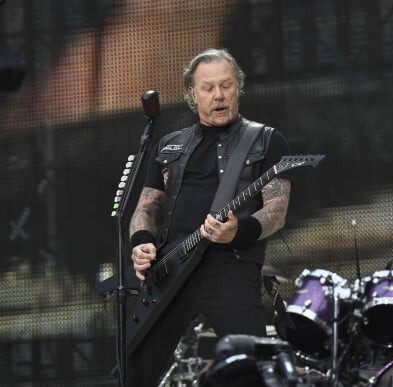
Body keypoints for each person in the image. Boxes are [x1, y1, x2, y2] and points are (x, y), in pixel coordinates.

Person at [126, 48, 292, 386]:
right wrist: (142, 243)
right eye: (208, 88)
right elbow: (146, 207)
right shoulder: (170, 145)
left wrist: (238, 231)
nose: (219, 95)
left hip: (228, 266)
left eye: (226, 86)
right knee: (133, 370)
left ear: (238, 88)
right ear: (191, 93)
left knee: (250, 370)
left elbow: (276, 211)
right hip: (169, 268)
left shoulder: (265, 140)